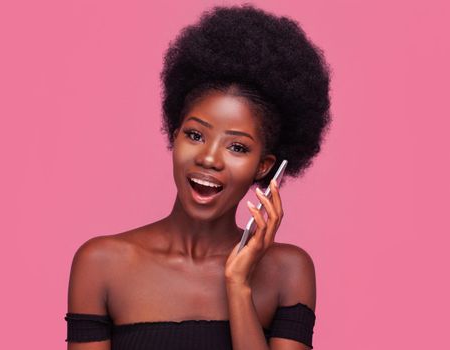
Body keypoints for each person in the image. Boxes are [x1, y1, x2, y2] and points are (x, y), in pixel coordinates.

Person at [65, 4, 330, 350]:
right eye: (195, 135)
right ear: (174, 136)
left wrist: (238, 285)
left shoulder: (288, 272)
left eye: (236, 147)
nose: (208, 158)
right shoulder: (101, 263)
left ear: (264, 167)